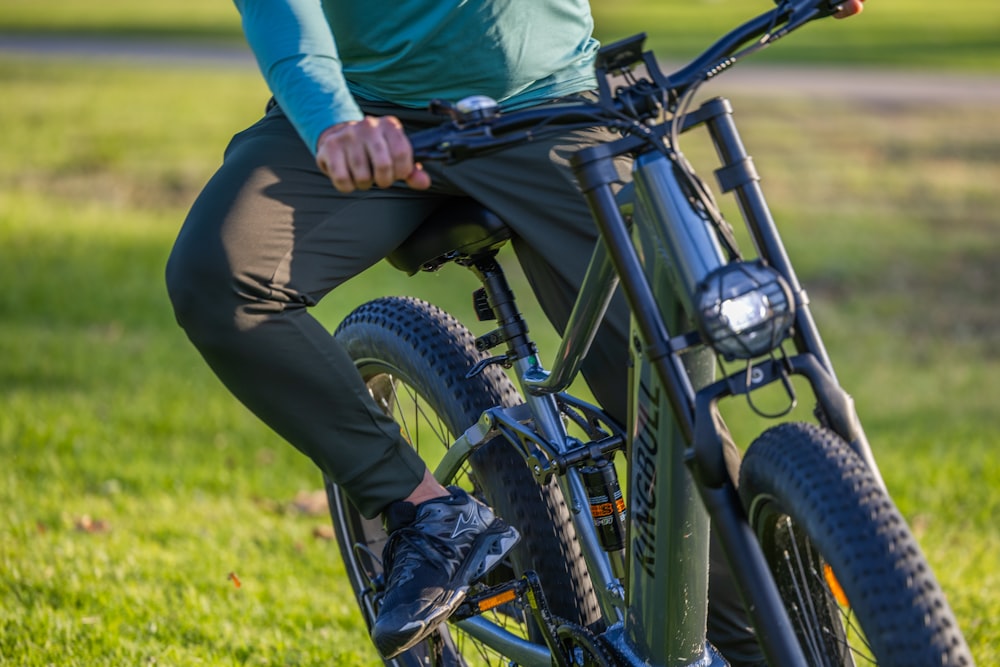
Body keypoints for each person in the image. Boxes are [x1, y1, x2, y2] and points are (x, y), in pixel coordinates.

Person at [165, 0, 865, 661]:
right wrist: (332, 123)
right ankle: (428, 514)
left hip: (550, 109)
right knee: (216, 274)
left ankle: (769, 645)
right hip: (368, 123)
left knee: (665, 391)